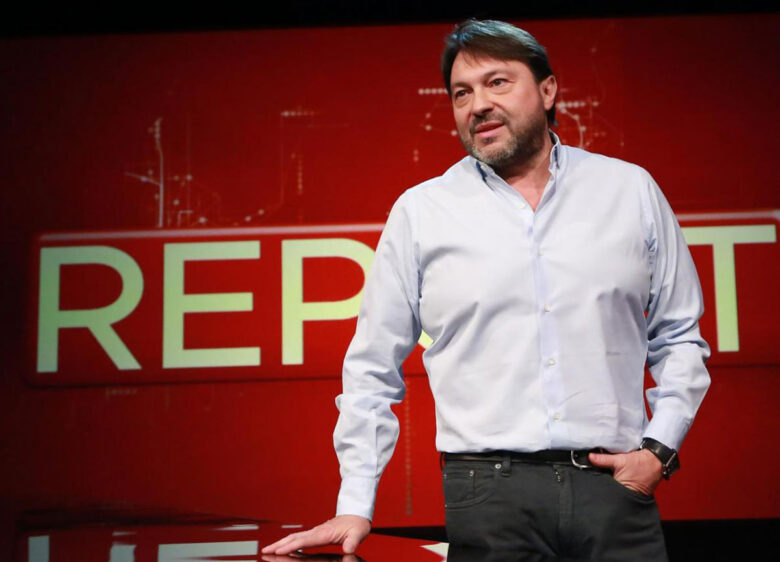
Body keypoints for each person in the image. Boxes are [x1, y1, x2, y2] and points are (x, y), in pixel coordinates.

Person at [263, 19, 710, 560]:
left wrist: (658, 450)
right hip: (487, 494)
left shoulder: (628, 189)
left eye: (497, 82)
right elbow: (371, 368)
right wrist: (355, 503)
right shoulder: (423, 211)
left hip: (614, 490)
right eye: (461, 93)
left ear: (548, 90)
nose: (477, 105)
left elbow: (679, 335)